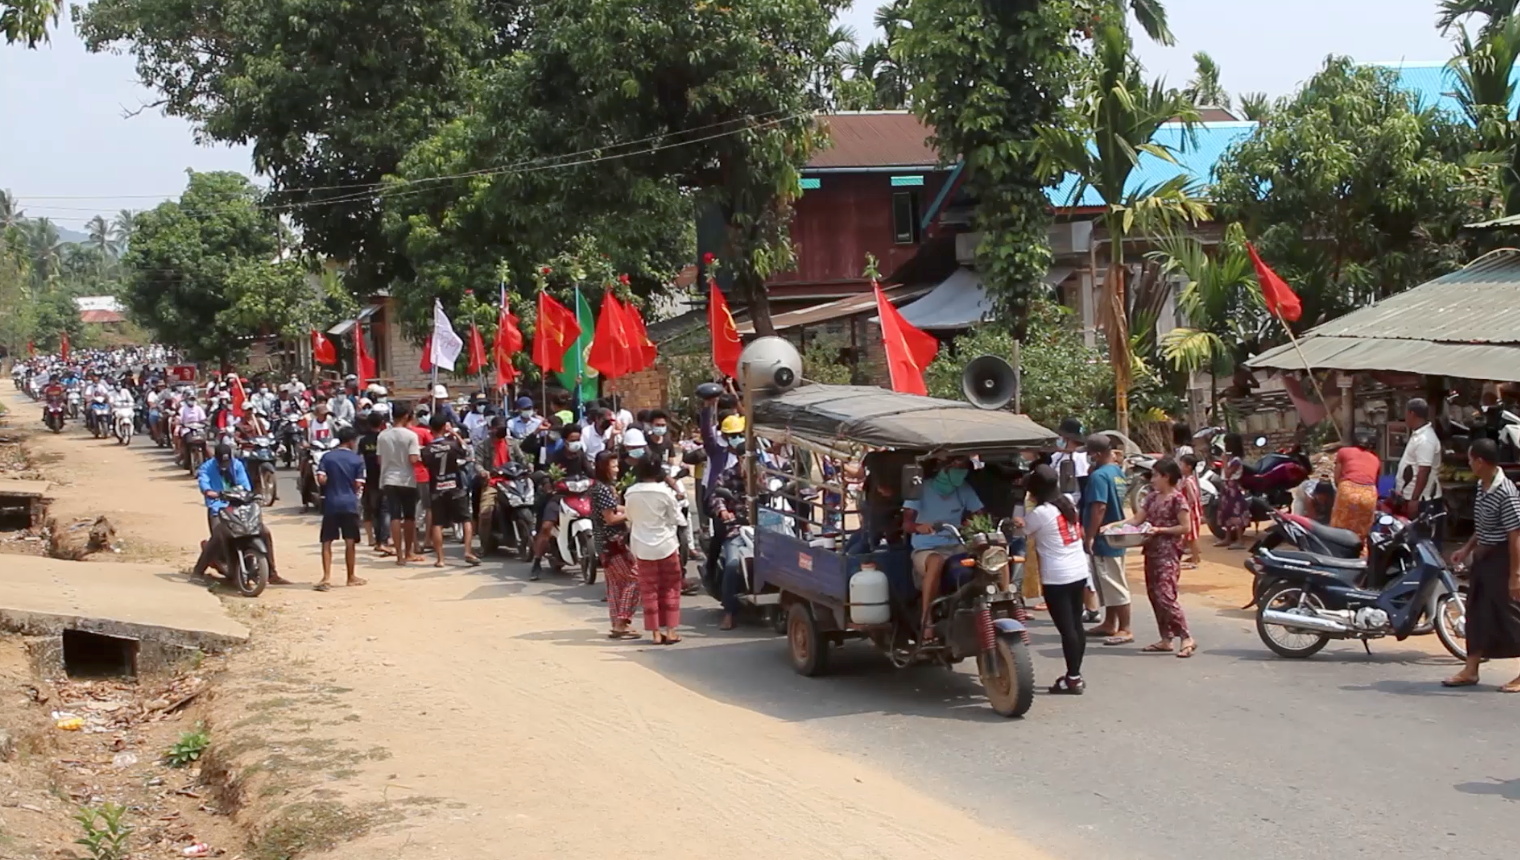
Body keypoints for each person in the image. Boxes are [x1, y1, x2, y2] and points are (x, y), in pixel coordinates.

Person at [1443, 438, 1520, 690]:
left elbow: (1514, 535)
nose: (1468, 464)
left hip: (1502, 558)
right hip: (1483, 559)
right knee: (1476, 612)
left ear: (1480, 462)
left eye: (1470, 460)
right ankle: (1471, 669)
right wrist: (1466, 548)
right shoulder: (1481, 487)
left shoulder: (1505, 492)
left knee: (1510, 616)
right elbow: (1483, 526)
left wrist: (1515, 575)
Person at [1016, 465, 1089, 694]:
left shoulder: (1040, 513)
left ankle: (1073, 678)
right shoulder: (1067, 502)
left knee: (1067, 630)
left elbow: (1021, 531)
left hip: (1057, 577)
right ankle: (1075, 675)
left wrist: (1018, 515)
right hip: (1078, 571)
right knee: (1076, 625)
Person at [1113, 457, 1196, 658]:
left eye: (1156, 475)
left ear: (1166, 477)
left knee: (1165, 595)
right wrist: (1114, 526)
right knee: (1154, 594)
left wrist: (1161, 530)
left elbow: (1186, 527)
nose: (1152, 479)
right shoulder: (1151, 498)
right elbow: (1136, 519)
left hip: (1169, 551)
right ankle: (1166, 638)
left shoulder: (1177, 500)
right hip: (1151, 551)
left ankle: (1186, 636)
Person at [902, 456, 986, 640]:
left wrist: (970, 524)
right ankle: (927, 619)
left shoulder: (964, 488)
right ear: (944, 468)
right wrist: (919, 527)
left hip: (956, 544)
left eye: (963, 469)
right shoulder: (921, 489)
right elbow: (906, 523)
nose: (960, 472)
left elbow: (979, 513)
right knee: (936, 561)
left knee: (990, 556)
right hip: (926, 548)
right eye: (956, 467)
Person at [191, 442, 284, 583]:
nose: (225, 465)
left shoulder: (237, 465)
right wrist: (211, 492)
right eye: (222, 462)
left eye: (227, 461)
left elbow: (245, 486)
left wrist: (250, 494)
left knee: (264, 532)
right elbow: (205, 486)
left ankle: (272, 573)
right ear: (215, 459)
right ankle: (198, 571)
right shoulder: (206, 468)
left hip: (239, 506)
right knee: (219, 534)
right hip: (219, 508)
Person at [625, 454, 686, 644]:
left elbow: (630, 517)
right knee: (671, 587)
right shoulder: (665, 492)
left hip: (642, 547)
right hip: (666, 545)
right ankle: (671, 631)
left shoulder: (630, 493)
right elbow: (676, 518)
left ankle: (655, 634)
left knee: (648, 589)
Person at [1081, 434, 1133, 646]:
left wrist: (1090, 536)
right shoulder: (1115, 471)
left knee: (1114, 582)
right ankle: (1110, 622)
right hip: (1116, 535)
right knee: (1107, 582)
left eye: (1090, 453)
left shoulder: (1099, 477)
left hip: (1104, 536)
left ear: (1097, 454)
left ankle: (1125, 628)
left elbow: (1099, 507)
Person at [529, 423, 592, 579]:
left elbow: (590, 472)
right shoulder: (556, 455)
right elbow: (547, 473)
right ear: (565, 441)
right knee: (546, 527)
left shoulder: (581, 454)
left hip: (580, 495)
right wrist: (548, 484)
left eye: (578, 439)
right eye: (572, 439)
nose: (576, 442)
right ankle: (536, 562)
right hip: (559, 496)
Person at [591, 452, 640, 639]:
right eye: (614, 466)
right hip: (612, 543)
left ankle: (617, 624)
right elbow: (610, 518)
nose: (617, 470)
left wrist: (631, 508)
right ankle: (622, 621)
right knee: (635, 578)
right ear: (604, 467)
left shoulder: (602, 487)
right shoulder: (602, 489)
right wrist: (632, 515)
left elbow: (613, 508)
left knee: (615, 584)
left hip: (604, 544)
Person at [423, 414, 480, 567]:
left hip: (437, 488)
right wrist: (454, 434)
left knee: (438, 523)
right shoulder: (453, 444)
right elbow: (467, 451)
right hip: (455, 487)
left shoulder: (427, 449)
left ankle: (440, 559)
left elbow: (425, 464)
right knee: (466, 519)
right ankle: (468, 551)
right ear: (444, 427)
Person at [314, 426, 367, 591]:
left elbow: (321, 479)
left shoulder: (327, 457)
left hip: (331, 503)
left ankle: (326, 577)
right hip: (349, 503)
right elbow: (358, 483)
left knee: (327, 541)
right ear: (352, 441)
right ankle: (351, 576)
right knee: (350, 541)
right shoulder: (357, 460)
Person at [378, 403, 424, 565]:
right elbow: (413, 459)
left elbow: (379, 459)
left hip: (389, 479)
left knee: (395, 516)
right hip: (407, 479)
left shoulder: (383, 435)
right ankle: (408, 552)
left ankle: (398, 556)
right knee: (409, 517)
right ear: (406, 416)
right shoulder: (410, 436)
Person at [1395, 397, 1445, 544]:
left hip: (1423, 500)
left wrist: (1414, 499)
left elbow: (1424, 470)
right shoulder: (1418, 435)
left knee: (1426, 543)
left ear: (1411, 413)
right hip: (1413, 497)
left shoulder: (1425, 439)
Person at [1331, 426, 1382, 540]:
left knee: (1339, 528)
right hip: (1369, 493)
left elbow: (1336, 478)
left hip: (1348, 488)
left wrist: (1343, 493)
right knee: (1362, 532)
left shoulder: (1344, 452)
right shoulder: (1375, 459)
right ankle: (1361, 555)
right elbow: (1376, 483)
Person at [358, 412, 391, 555]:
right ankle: (383, 540)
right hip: (384, 477)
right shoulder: (384, 438)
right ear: (382, 423)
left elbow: (359, 460)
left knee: (374, 511)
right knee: (384, 510)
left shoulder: (363, 441)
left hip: (370, 479)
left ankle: (379, 540)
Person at [1216, 433, 1250, 550]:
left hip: (1233, 488)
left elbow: (1227, 473)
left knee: (1236, 513)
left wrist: (1224, 461)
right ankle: (1227, 537)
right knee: (1226, 512)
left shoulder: (1236, 460)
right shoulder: (1231, 458)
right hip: (1226, 488)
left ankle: (1240, 540)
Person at [1179, 453, 1204, 568]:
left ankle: (1195, 560)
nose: (1180, 467)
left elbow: (1192, 498)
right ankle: (1195, 557)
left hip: (1191, 513)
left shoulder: (1188, 481)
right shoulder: (1190, 479)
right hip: (1194, 512)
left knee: (1192, 537)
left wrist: (1186, 508)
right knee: (1190, 536)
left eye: (1181, 464)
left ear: (1188, 467)